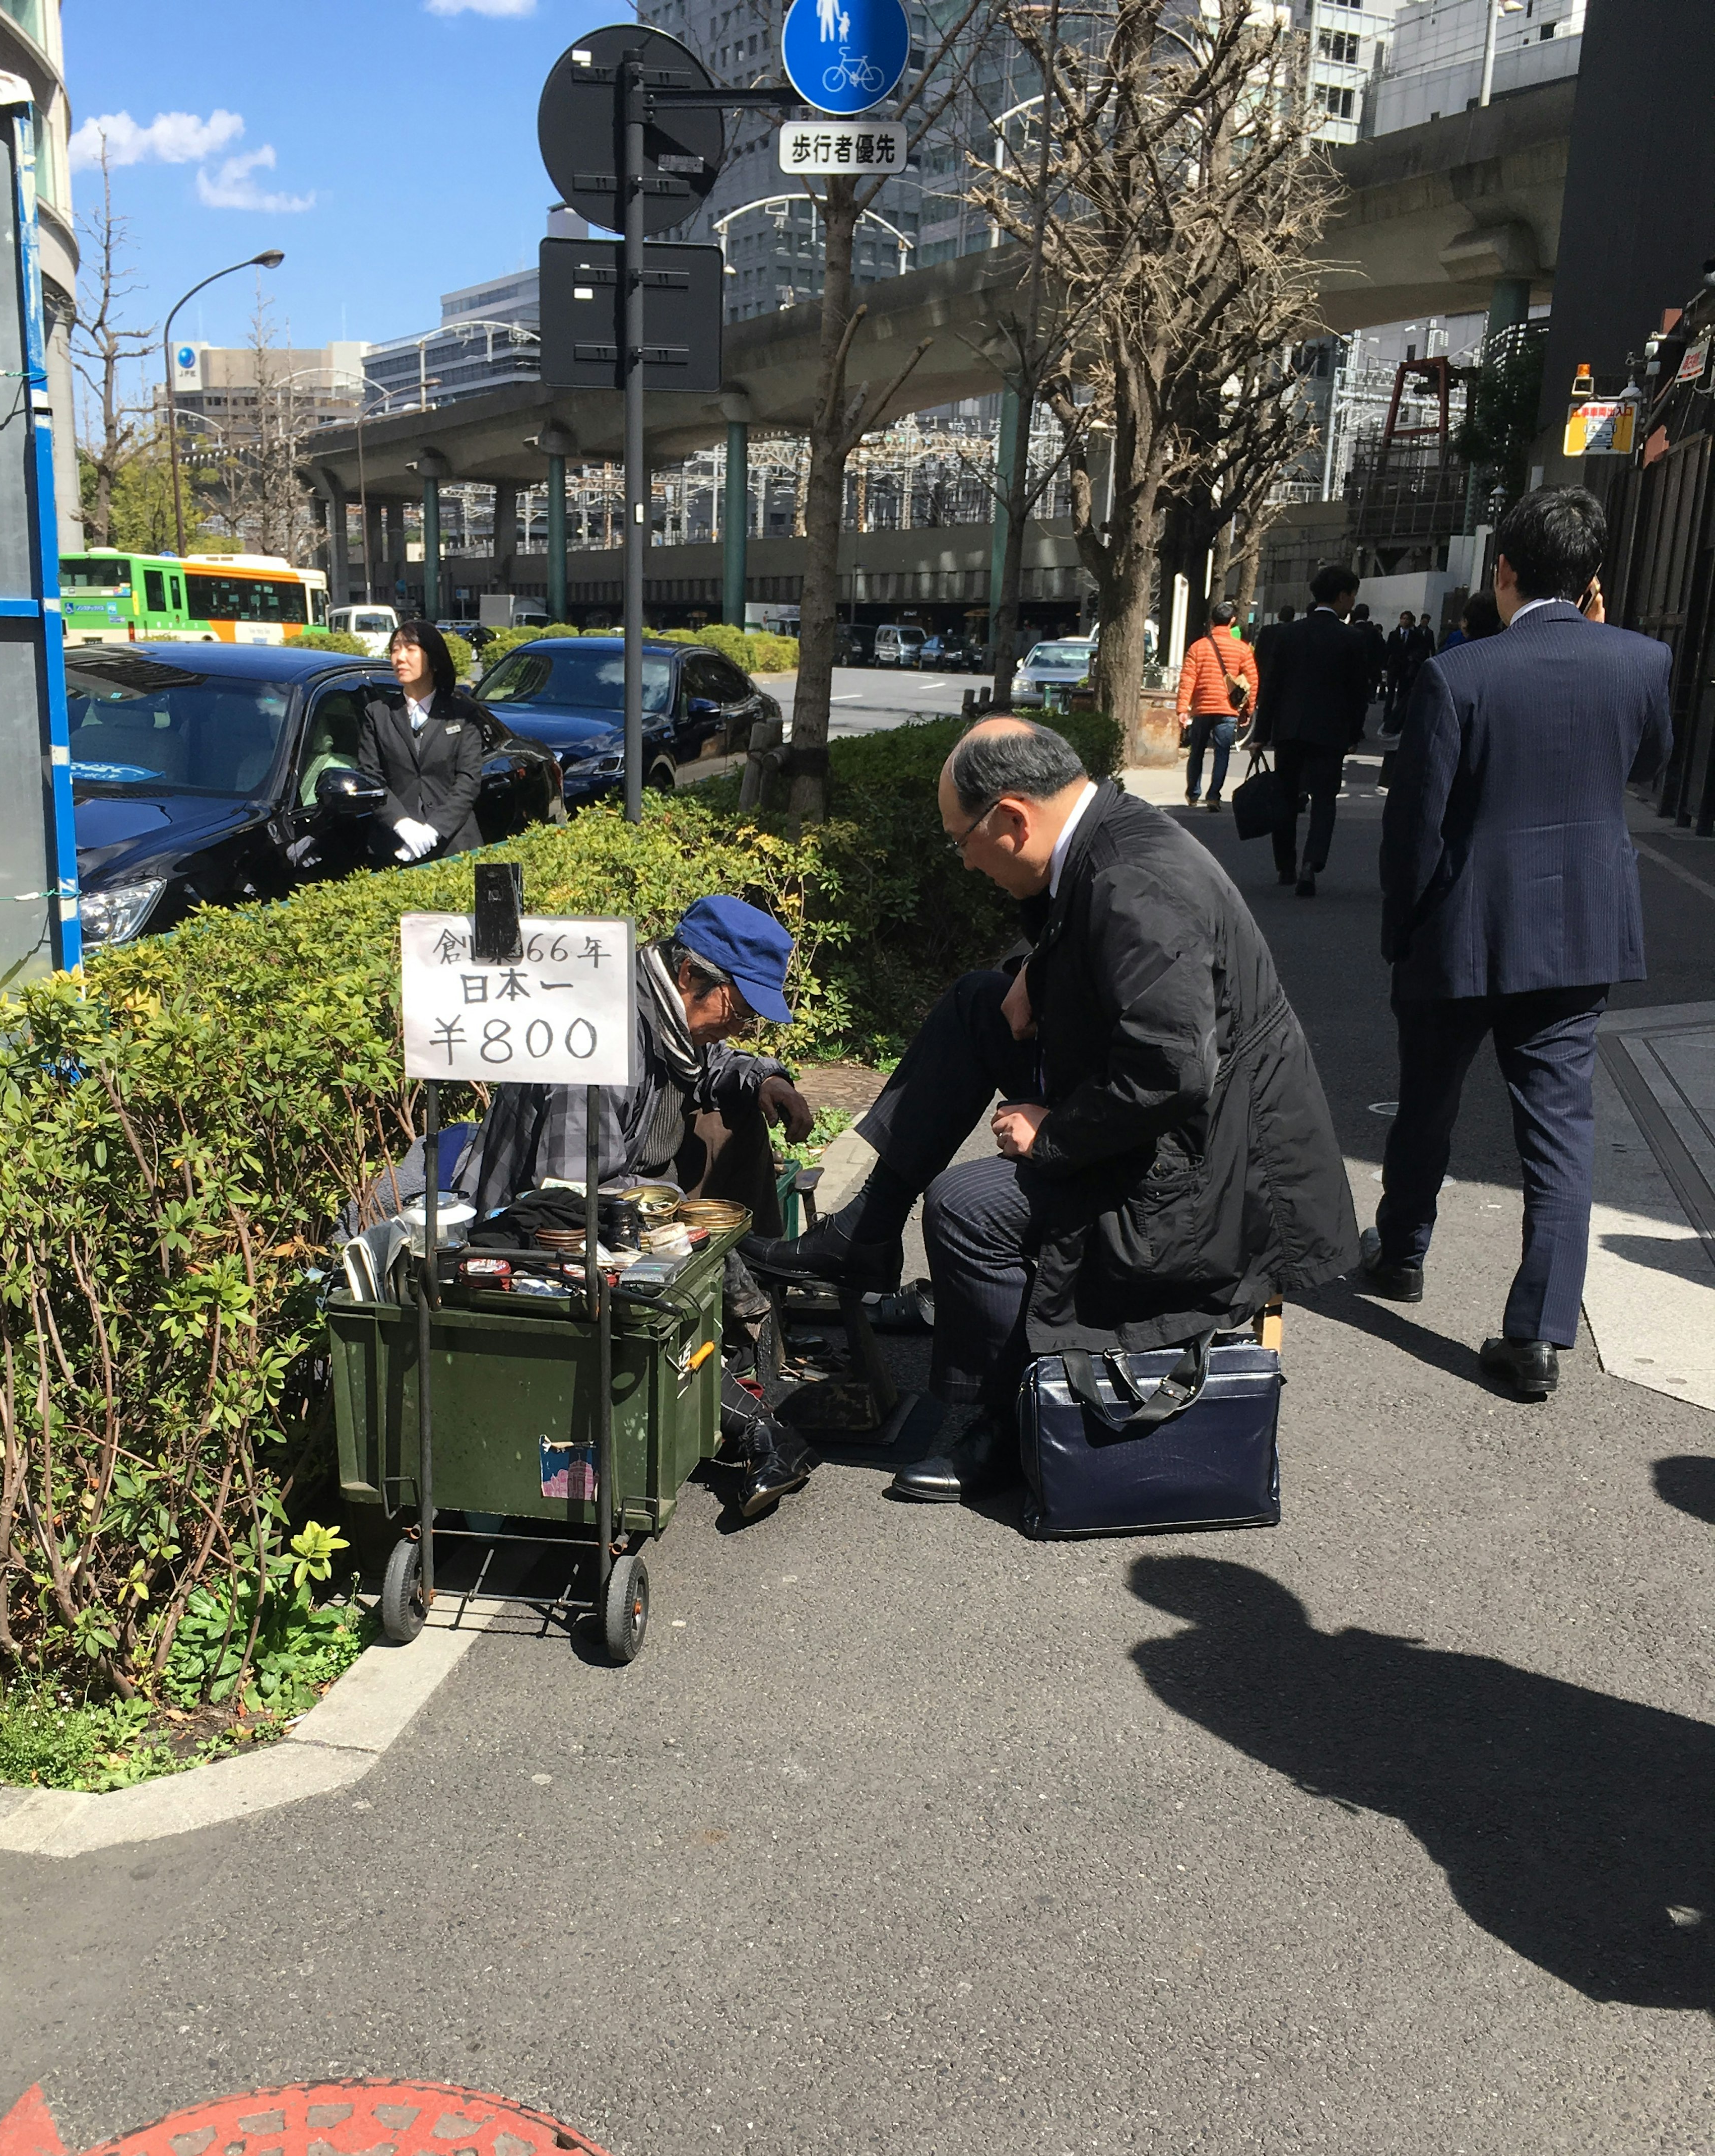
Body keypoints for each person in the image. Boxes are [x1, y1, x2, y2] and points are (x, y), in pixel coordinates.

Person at [746, 718, 1358, 1501]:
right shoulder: (1106, 837)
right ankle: (865, 1235)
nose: (963, 859)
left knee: (967, 1209)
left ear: (1012, 817)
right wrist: (1033, 969)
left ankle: (1011, 1425)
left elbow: (1170, 1072)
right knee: (979, 1003)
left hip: (1206, 1180)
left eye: (960, 839)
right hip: (1181, 1122)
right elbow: (1116, 969)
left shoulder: (1138, 886)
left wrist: (1050, 1135)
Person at [1360, 485, 1674, 1398]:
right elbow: (1646, 767)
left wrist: (1399, 928)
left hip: (1462, 929)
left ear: (1503, 572)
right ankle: (1535, 1335)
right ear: (1594, 580)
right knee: (1560, 1133)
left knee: (1428, 1104)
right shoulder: (1644, 662)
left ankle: (1404, 1254)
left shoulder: (1460, 674)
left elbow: (1416, 826)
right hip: (1580, 933)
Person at [456, 895, 819, 1515]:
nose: (741, 1026)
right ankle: (757, 1424)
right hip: (534, 1231)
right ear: (689, 977)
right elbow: (569, 1192)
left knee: (716, 1166)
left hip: (601, 1194)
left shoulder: (661, 1011)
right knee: (671, 1260)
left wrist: (765, 1078)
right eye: (738, 1008)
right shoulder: (606, 1035)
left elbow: (706, 1063)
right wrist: (686, 1235)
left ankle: (750, 1393)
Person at [1248, 562, 1372, 896]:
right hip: (1331, 732)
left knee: (1287, 797)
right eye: (1352, 596)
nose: (1352, 603)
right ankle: (1311, 864)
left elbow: (1271, 687)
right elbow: (1359, 693)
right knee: (1325, 800)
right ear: (1344, 596)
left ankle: (1285, 864)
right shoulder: (1351, 639)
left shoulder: (1287, 635)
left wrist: (1262, 733)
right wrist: (1354, 733)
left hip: (1290, 728)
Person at [359, 621, 485, 861]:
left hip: (455, 845)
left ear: (433, 659)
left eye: (410, 649)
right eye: (395, 650)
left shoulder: (463, 713)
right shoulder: (377, 714)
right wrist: (401, 823)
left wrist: (434, 830)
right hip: (394, 847)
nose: (399, 658)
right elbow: (371, 778)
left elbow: (468, 780)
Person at [1174, 602, 1259, 812]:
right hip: (1227, 709)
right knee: (1222, 753)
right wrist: (1248, 710)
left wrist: (1183, 709)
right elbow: (1252, 681)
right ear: (1232, 621)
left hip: (1202, 708)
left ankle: (1193, 793)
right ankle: (1214, 796)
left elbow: (1188, 679)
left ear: (1212, 621)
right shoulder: (1243, 649)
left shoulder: (1198, 647)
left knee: (1197, 752)